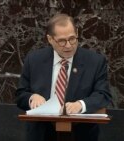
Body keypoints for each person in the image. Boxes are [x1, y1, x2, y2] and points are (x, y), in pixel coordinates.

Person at [15, 13, 112, 141]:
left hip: (81, 134)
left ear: (77, 33)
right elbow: (20, 95)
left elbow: (103, 95)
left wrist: (80, 105)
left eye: (72, 38)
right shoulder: (34, 60)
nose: (68, 45)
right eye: (62, 41)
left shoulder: (95, 62)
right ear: (50, 39)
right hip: (41, 134)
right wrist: (32, 97)